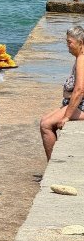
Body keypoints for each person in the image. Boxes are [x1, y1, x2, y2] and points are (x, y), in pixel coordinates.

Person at [40, 25, 84, 160]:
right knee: (44, 120)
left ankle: (52, 166)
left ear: (80, 43)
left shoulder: (82, 59)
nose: (67, 45)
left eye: (70, 42)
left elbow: (80, 89)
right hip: (76, 104)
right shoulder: (79, 57)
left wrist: (67, 117)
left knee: (46, 125)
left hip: (81, 106)